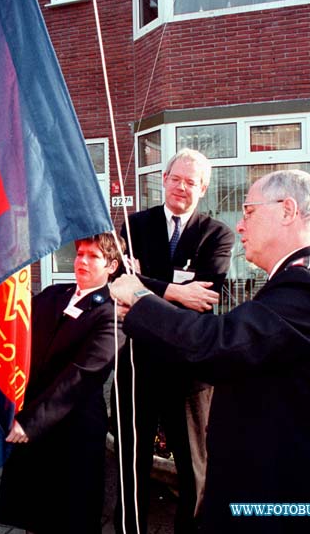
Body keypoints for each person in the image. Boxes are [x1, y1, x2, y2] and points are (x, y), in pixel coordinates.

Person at [111, 170, 310, 534]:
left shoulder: (309, 287)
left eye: (248, 211)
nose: (240, 225)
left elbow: (219, 343)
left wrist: (140, 298)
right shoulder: (302, 277)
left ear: (287, 210)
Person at [114, 148, 234, 533]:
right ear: (163, 179)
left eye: (192, 182)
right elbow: (117, 283)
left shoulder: (217, 234)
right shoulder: (134, 226)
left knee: (194, 466)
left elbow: (207, 293)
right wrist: (176, 292)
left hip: (189, 373)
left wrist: (143, 285)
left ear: (204, 189)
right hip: (137, 365)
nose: (182, 187)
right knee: (130, 463)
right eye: (176, 178)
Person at [0, 233, 125, 534]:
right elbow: (16, 326)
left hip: (72, 431)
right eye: (80, 254)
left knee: (70, 515)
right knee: (34, 513)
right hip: (36, 425)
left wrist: (30, 422)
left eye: (93, 257)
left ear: (111, 265)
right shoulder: (54, 294)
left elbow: (79, 376)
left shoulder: (112, 314)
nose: (82, 261)